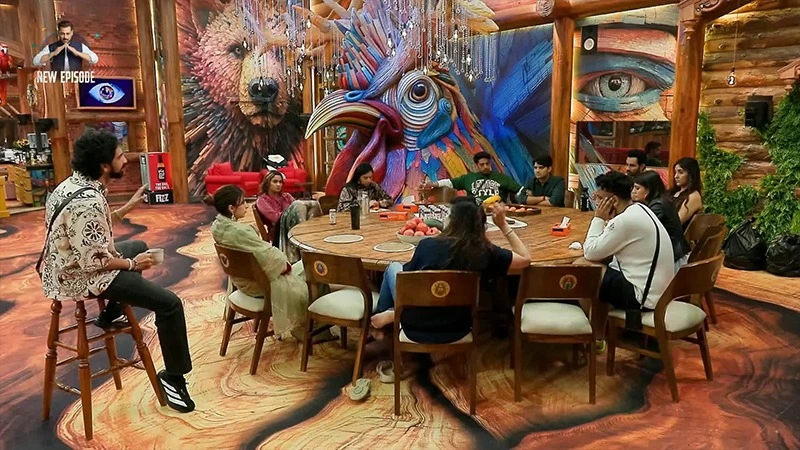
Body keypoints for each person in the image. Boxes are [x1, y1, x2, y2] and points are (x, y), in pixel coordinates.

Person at [41, 129, 194, 413]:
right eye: (120, 156)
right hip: (79, 276)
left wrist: (129, 206)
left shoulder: (70, 185)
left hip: (62, 265)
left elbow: (88, 232)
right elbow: (94, 262)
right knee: (170, 304)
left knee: (138, 245)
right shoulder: (88, 202)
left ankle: (110, 314)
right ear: (104, 165)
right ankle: (173, 377)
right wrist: (134, 265)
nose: (126, 160)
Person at [370, 197, 531, 343]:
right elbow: (525, 259)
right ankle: (389, 316)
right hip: (459, 326)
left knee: (394, 268)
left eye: (448, 215)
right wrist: (503, 225)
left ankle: (387, 320)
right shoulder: (486, 251)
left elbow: (408, 283)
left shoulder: (428, 245)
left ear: (454, 221)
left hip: (415, 324)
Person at [206, 185, 319, 341]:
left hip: (243, 282)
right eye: (242, 202)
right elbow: (271, 257)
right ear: (231, 208)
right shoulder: (239, 232)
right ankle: (310, 330)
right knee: (314, 271)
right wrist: (285, 265)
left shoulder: (218, 227)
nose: (246, 205)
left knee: (302, 266)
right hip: (260, 285)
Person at [579, 171, 674, 340]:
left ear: (614, 201)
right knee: (602, 272)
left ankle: (593, 336)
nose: (597, 203)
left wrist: (598, 218)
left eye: (600, 199)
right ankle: (600, 331)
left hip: (644, 298)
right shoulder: (639, 209)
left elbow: (590, 252)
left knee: (583, 268)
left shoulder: (624, 220)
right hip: (659, 291)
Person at [632, 171, 691, 271]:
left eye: (637, 188)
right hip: (672, 255)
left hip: (672, 261)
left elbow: (641, 230)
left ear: (648, 191)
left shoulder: (657, 207)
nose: (633, 191)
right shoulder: (661, 201)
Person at [419, 151, 522, 204]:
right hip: (474, 213)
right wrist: (433, 184)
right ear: (476, 166)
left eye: (487, 164)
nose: (485, 167)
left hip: (497, 212)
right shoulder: (469, 178)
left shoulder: (502, 178)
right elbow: (449, 182)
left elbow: (520, 190)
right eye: (482, 164)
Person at [33, 20, 99, 72]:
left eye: (68, 34)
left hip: (75, 81)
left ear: (72, 33)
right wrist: (53, 53)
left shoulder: (80, 46)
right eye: (62, 34)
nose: (65, 37)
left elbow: (95, 59)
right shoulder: (51, 47)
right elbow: (35, 61)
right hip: (57, 81)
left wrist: (78, 53)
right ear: (58, 33)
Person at [255, 171, 295, 243]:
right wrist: (293, 213)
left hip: (293, 226)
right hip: (278, 233)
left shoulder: (287, 196)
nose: (278, 184)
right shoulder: (262, 200)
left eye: (280, 182)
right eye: (275, 182)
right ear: (267, 183)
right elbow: (275, 218)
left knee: (307, 205)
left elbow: (296, 208)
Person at [669, 157, 703, 229]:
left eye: (680, 172)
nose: (676, 176)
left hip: (676, 234)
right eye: (675, 172)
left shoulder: (694, 196)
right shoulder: (672, 192)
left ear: (691, 174)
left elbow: (677, 222)